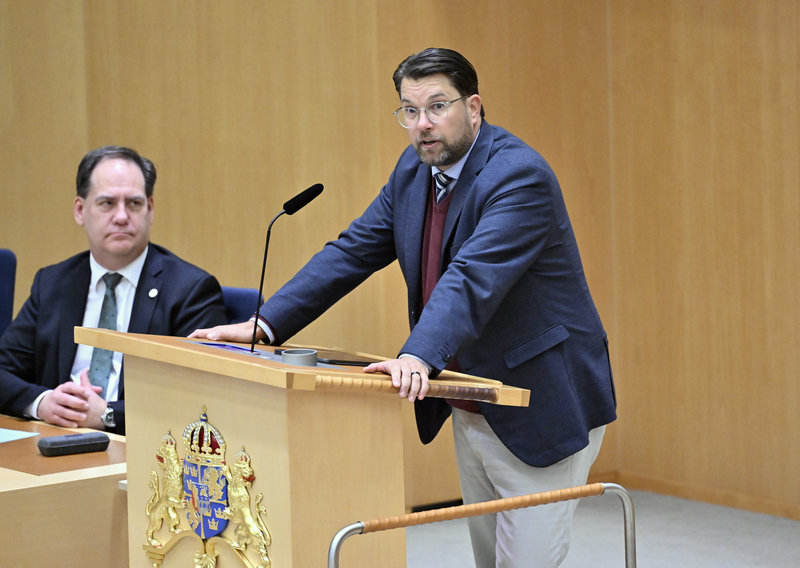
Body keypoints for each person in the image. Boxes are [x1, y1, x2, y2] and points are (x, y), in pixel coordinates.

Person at [191, 48, 616, 567]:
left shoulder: (518, 176)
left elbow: (472, 277)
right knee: (490, 560)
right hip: (472, 399)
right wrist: (265, 323)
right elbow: (353, 251)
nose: (422, 124)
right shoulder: (414, 172)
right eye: (410, 111)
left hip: (540, 398)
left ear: (473, 107)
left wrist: (417, 354)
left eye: (437, 106)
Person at [0, 146, 227, 435]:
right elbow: (3, 371)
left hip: (141, 447)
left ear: (150, 209)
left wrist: (108, 415)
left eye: (134, 203)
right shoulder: (53, 283)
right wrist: (43, 403)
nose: (121, 216)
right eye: (107, 203)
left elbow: (205, 396)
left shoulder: (190, 290)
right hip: (54, 437)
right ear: (80, 210)